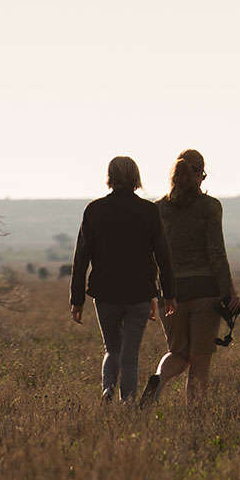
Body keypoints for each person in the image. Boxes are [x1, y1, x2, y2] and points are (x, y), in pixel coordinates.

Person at [70, 155, 175, 404]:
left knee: (112, 348)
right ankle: (127, 401)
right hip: (139, 293)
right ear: (136, 177)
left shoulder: (94, 210)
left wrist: (77, 299)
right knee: (130, 354)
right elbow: (163, 256)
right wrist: (168, 294)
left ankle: (107, 388)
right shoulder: (148, 211)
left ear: (110, 177)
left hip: (105, 292)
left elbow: (81, 258)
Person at [140, 149, 238, 405]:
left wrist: (152, 293)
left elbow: (150, 256)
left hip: (170, 292)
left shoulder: (157, 209)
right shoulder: (210, 206)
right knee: (200, 358)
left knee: (178, 353)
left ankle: (159, 378)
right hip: (205, 290)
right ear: (201, 174)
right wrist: (230, 292)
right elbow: (216, 252)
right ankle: (196, 414)